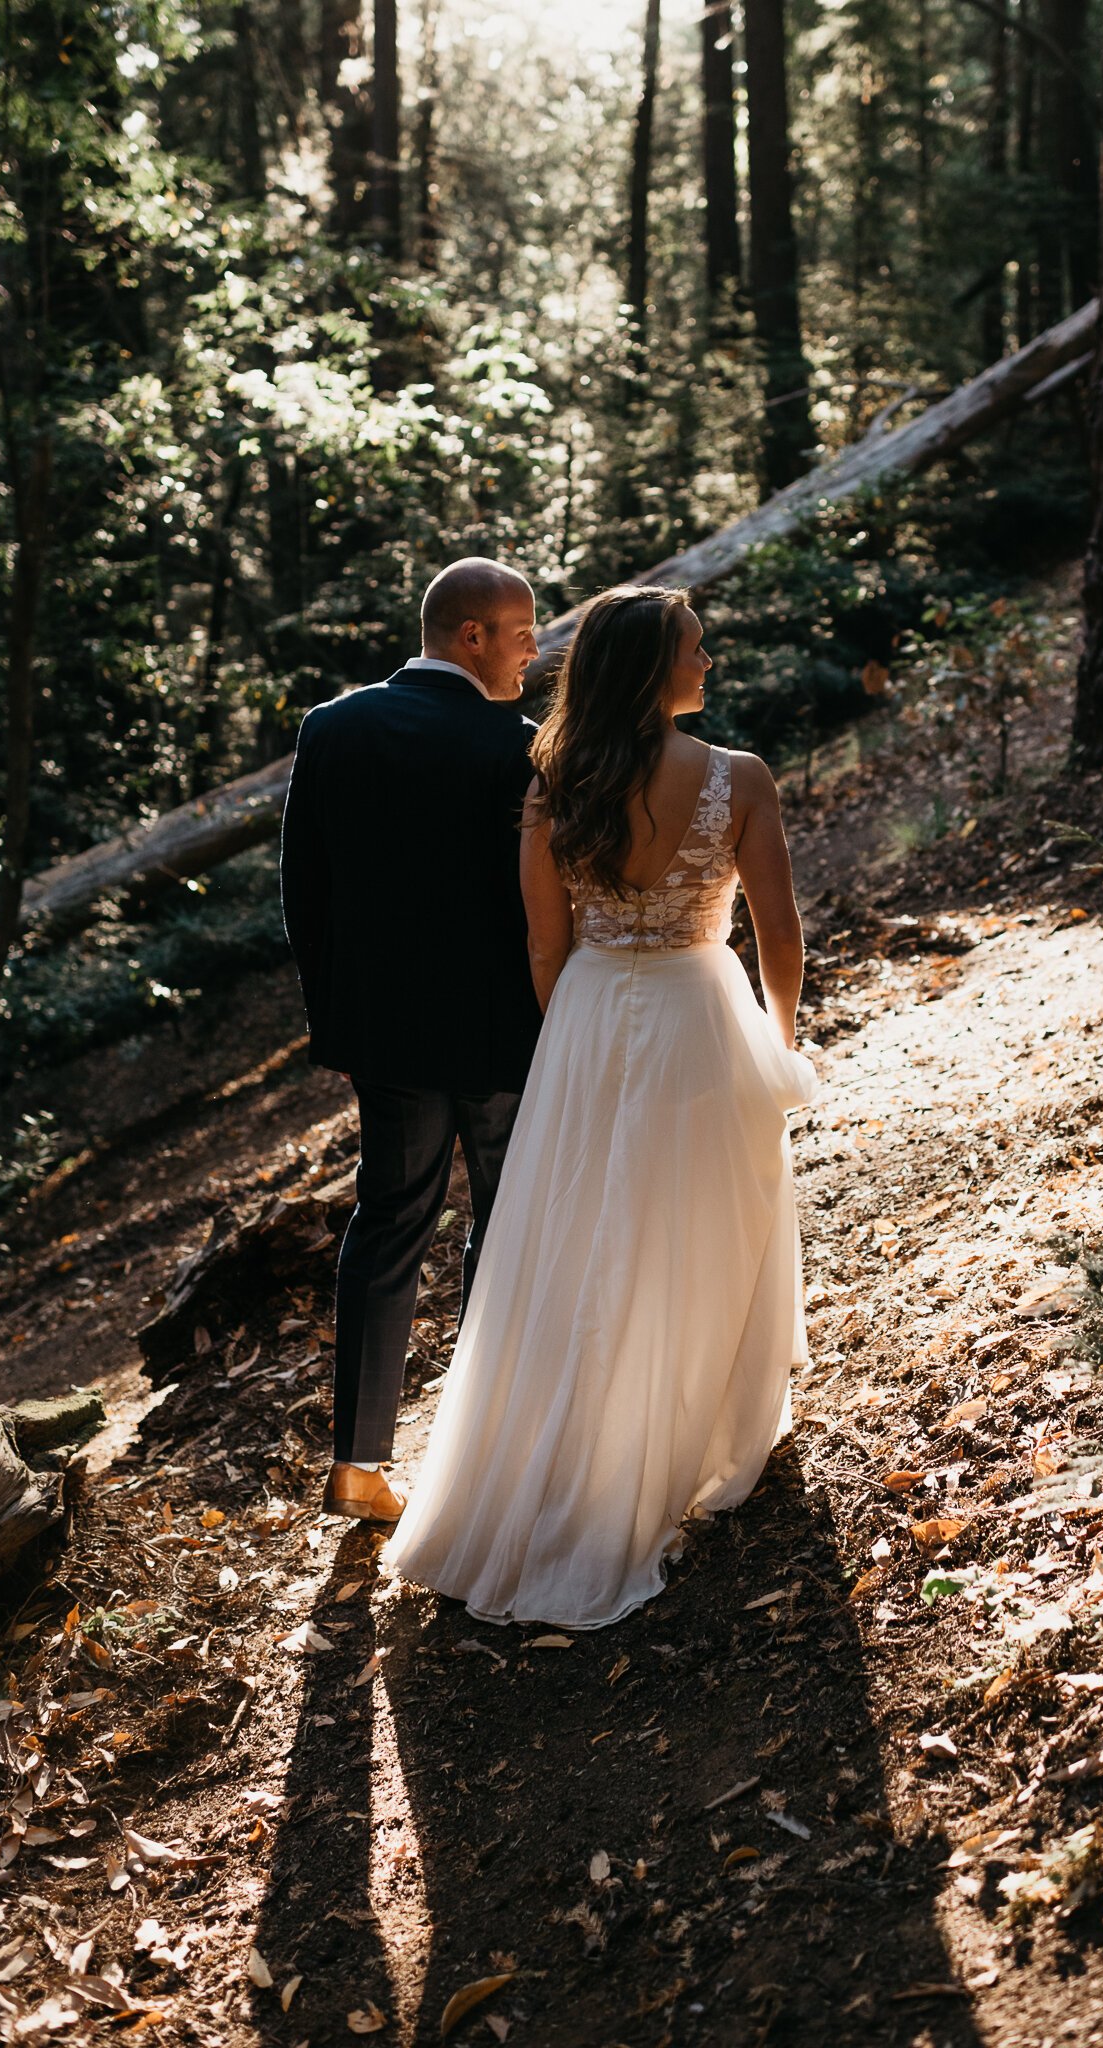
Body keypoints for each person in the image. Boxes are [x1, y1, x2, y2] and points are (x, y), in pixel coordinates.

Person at [384, 584, 818, 1628]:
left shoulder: (552, 780)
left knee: (575, 1236)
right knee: (705, 1221)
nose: (707, 662)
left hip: (584, 1015)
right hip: (696, 1012)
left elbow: (545, 942)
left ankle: (568, 1448)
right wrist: (780, 1037)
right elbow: (781, 934)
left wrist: (575, 1028)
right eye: (695, 648)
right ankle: (688, 1433)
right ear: (654, 666)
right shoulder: (737, 778)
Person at [279, 557, 543, 1524]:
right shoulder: (518, 746)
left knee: (387, 1225)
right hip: (501, 1034)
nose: (532, 651)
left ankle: (357, 1465)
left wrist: (335, 1024)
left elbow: (303, 891)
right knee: (505, 1228)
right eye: (520, 633)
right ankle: (484, 1454)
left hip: (384, 1037)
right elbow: (536, 906)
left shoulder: (332, 729)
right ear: (470, 636)